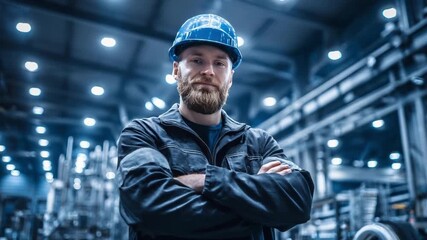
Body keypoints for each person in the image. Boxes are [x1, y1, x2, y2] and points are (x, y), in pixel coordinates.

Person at [117, 14, 314, 240]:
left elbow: (298, 200)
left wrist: (204, 181)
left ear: (230, 77)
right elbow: (148, 206)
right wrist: (257, 208)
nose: (209, 71)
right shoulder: (144, 134)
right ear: (175, 70)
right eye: (197, 60)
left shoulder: (259, 143)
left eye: (219, 63)